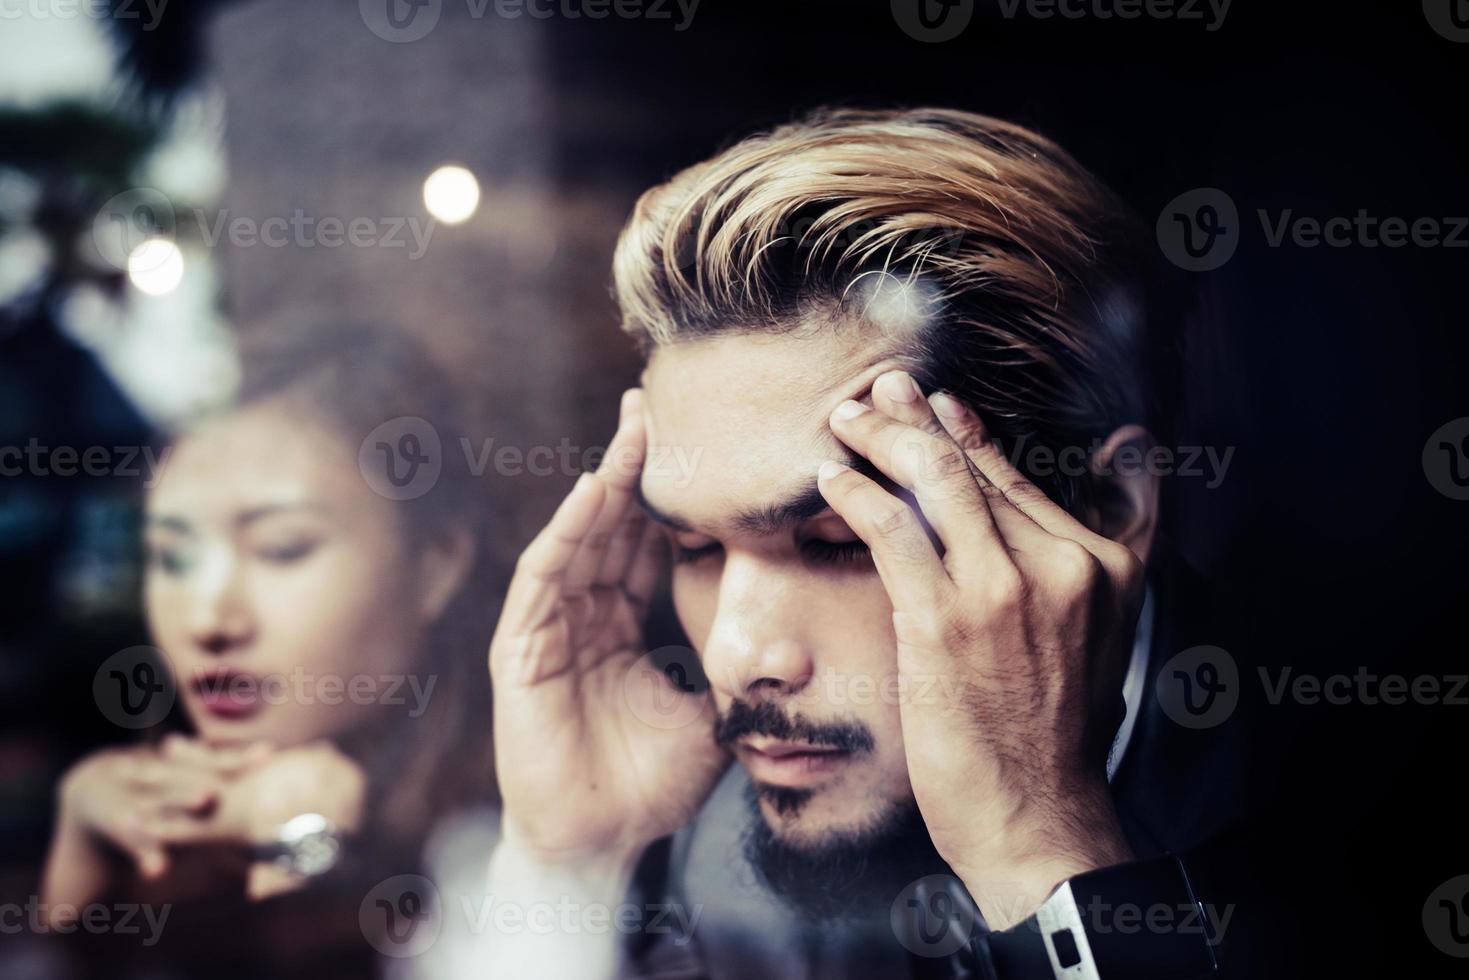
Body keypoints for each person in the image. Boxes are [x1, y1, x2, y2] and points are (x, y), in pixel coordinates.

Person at [476, 108, 1258, 979]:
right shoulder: (719, 859)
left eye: (846, 540)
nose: (735, 659)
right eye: (694, 549)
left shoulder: (1358, 813)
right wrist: (569, 867)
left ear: (1108, 505)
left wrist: (1039, 845)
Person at [40, 321, 496, 978]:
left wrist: (300, 853)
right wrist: (83, 886)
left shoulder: (523, 830)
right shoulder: (159, 813)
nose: (209, 619)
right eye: (171, 557)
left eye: (282, 548)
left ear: (435, 563)